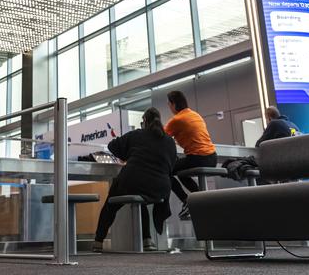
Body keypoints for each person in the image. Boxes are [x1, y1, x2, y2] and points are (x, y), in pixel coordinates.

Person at [92, 108, 176, 253]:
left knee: (110, 206)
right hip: (161, 187)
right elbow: (172, 164)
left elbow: (113, 145)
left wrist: (127, 156)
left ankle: (98, 241)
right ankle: (147, 240)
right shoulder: (169, 140)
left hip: (132, 180)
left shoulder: (136, 134)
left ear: (144, 121)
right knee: (141, 200)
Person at [164, 91, 217, 219]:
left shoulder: (177, 119)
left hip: (198, 158)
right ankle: (200, 198)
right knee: (181, 171)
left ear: (173, 104)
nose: (169, 108)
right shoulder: (195, 115)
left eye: (169, 104)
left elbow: (161, 138)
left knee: (165, 172)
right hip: (212, 157)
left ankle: (186, 200)